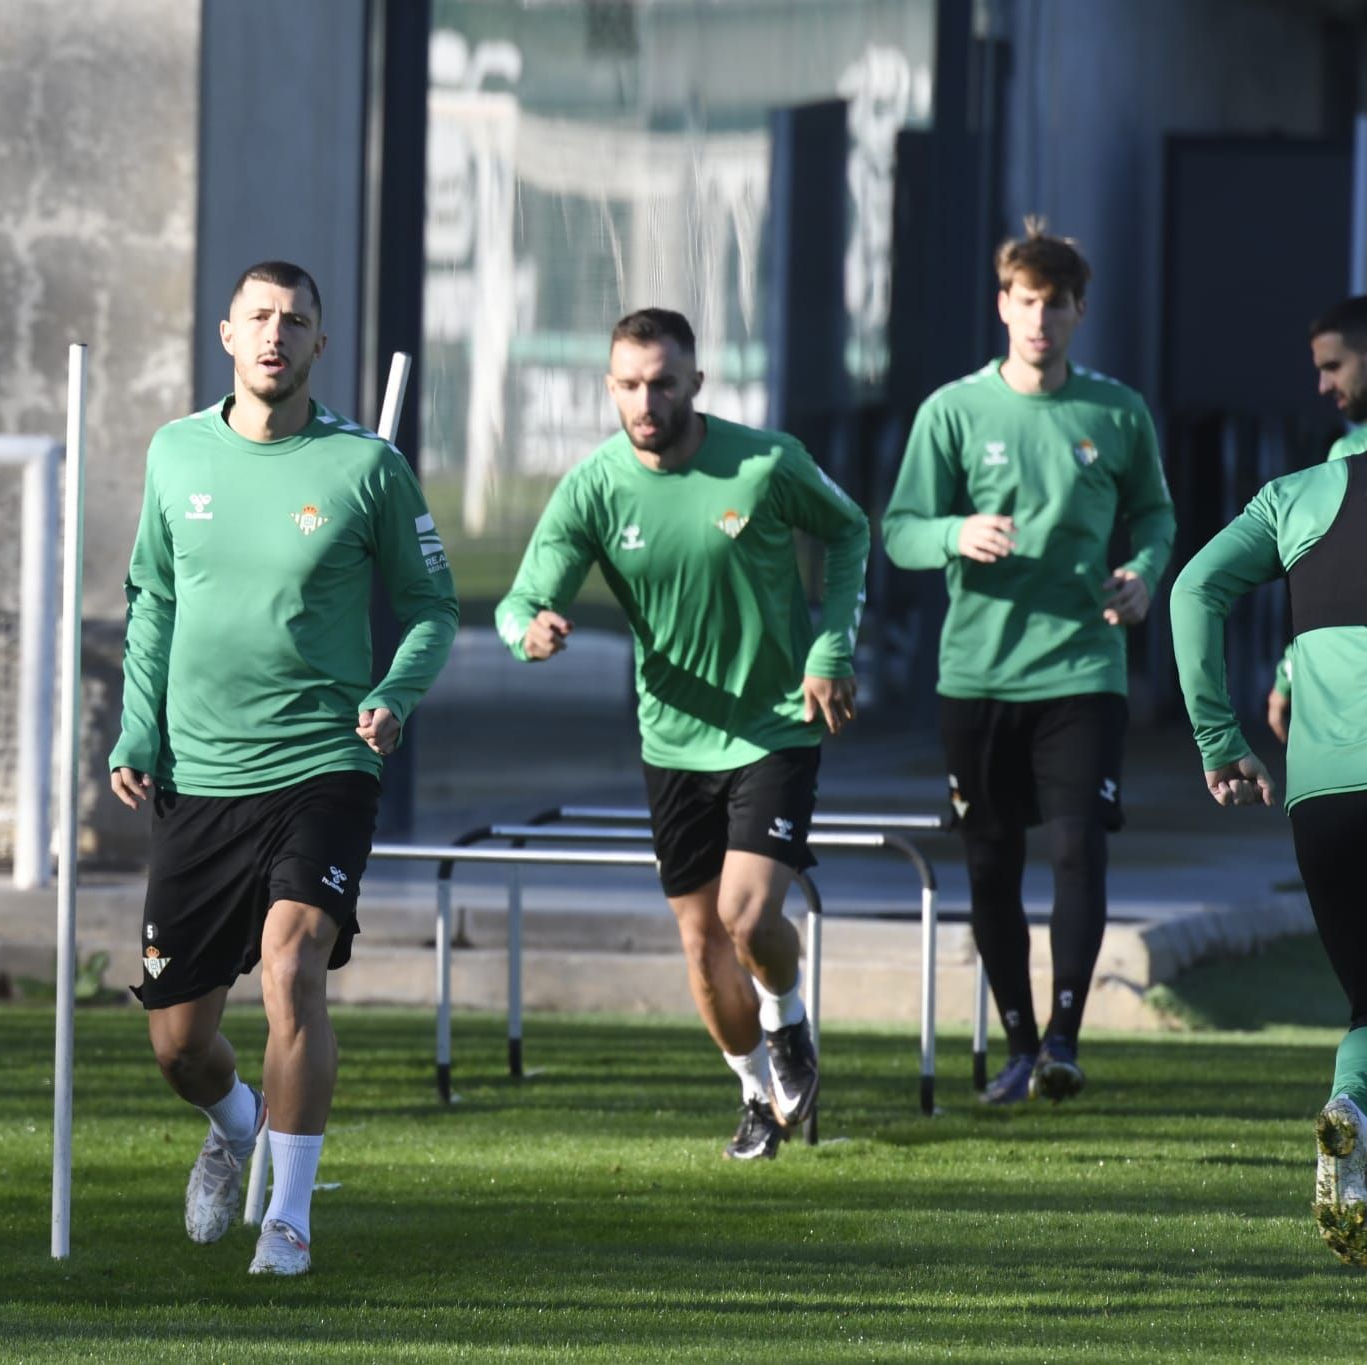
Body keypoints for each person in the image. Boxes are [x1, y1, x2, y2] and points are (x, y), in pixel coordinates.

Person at [108, 261, 458, 1275]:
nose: (273, 336)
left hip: (324, 763)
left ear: (316, 344)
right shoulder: (176, 453)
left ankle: (290, 1218)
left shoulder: (365, 468)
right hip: (199, 776)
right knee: (177, 1045)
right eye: (257, 318)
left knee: (292, 964)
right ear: (226, 333)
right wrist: (138, 733)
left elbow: (433, 608)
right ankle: (233, 1124)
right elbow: (152, 607)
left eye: (293, 322)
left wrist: (392, 694)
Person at [495, 306, 869, 1161]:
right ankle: (752, 1092)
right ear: (609, 388)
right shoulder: (593, 485)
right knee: (703, 945)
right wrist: (530, 633)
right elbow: (521, 599)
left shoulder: (767, 461)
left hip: (776, 723)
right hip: (672, 738)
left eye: (663, 382)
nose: (646, 400)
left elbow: (849, 530)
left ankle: (788, 1019)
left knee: (746, 915)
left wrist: (832, 643)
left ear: (697, 382)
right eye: (628, 384)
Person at [882, 219, 1174, 1104]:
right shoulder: (954, 411)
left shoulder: (1116, 413)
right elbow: (898, 533)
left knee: (1080, 848)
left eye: (1056, 303)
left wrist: (1145, 575)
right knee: (990, 861)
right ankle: (1016, 1045)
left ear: (1080, 311)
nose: (1039, 318)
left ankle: (1063, 1040)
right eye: (1025, 300)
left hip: (1083, 673)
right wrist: (954, 532)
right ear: (1002, 306)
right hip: (977, 675)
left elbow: (1157, 519)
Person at [1168, 441, 1367, 1265]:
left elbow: (1192, 588)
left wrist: (1219, 737)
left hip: (1323, 797)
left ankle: (1350, 1111)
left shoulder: (1299, 494)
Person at [1266, 295, 1367, 744]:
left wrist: (1290, 672)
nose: (1323, 386)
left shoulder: (1348, 459)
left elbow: (1337, 591)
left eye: (1333, 366)